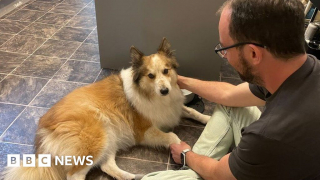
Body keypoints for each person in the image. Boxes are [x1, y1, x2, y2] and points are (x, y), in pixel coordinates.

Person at [141, 0, 320, 179]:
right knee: (231, 105)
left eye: (225, 49)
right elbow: (229, 95)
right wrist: (180, 81)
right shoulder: (302, 68)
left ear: (253, 54)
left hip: (240, 167)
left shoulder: (268, 135)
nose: (224, 56)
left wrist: (186, 154)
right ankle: (193, 170)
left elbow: (219, 173)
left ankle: (191, 170)